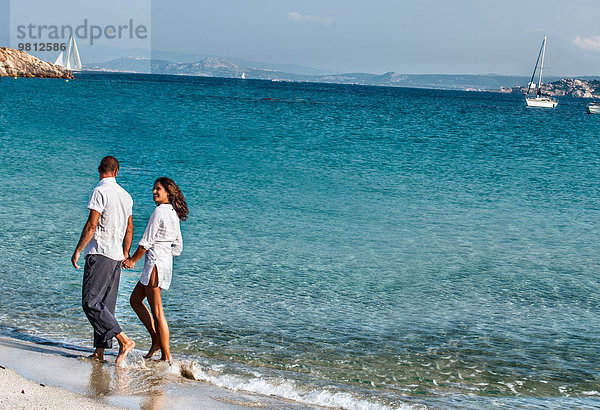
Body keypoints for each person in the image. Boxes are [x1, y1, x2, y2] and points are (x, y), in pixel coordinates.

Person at [71, 156, 136, 365]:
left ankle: (124, 340)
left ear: (100, 170)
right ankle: (99, 352)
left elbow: (92, 225)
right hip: (116, 256)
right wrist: (126, 252)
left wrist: (79, 250)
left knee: (90, 302)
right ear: (117, 172)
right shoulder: (126, 196)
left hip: (100, 252)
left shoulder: (99, 191)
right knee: (105, 306)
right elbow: (130, 228)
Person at [123, 177, 188, 363]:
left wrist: (132, 260)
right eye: (153, 188)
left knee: (158, 311)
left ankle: (167, 358)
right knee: (135, 300)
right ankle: (155, 339)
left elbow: (146, 241)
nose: (154, 192)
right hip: (162, 264)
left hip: (155, 265)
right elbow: (178, 247)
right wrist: (165, 253)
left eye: (158, 189)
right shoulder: (173, 213)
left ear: (168, 192)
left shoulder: (160, 212)